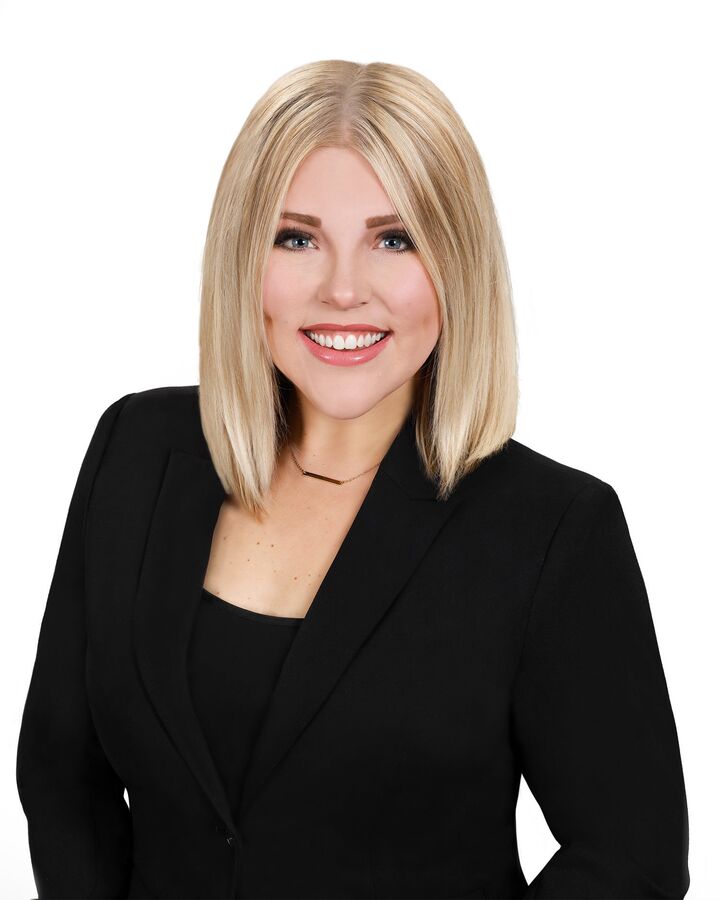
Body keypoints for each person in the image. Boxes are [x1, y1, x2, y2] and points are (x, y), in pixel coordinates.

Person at [16, 59, 690, 900]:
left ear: (457, 263)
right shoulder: (137, 450)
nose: (342, 290)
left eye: (394, 239)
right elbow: (62, 775)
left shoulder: (554, 529)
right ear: (243, 257)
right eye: (297, 239)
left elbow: (631, 858)